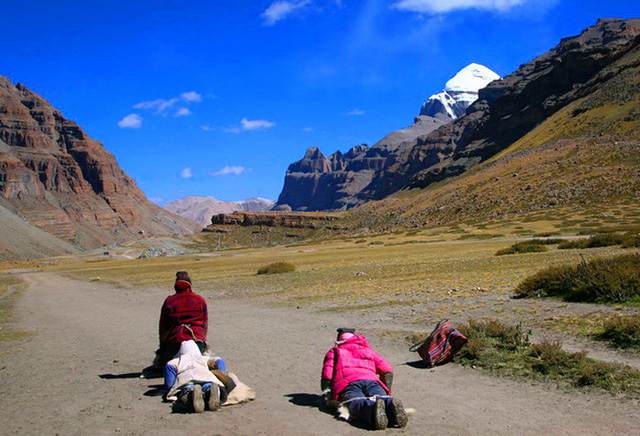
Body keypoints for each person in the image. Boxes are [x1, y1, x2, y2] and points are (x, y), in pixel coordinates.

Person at [321, 327, 408, 430]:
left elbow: (327, 375)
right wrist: (387, 390)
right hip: (372, 381)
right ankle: (389, 403)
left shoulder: (335, 351)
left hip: (348, 384)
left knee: (354, 401)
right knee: (380, 396)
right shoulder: (368, 351)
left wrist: (327, 393)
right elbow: (387, 370)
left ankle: (371, 409)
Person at [155, 271, 209, 368]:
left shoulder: (169, 301)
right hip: (196, 338)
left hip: (176, 340)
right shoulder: (199, 300)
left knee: (165, 366)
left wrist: (162, 346)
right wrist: (202, 340)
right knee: (206, 361)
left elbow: (163, 326)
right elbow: (204, 323)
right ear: (190, 285)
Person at [163, 340, 226, 412]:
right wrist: (222, 378)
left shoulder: (177, 360)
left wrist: (170, 389)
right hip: (205, 375)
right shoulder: (204, 358)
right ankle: (209, 391)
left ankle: (191, 392)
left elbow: (169, 371)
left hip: (186, 377)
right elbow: (219, 361)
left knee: (187, 387)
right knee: (208, 384)